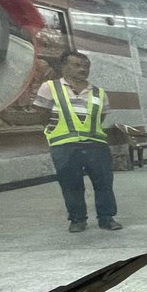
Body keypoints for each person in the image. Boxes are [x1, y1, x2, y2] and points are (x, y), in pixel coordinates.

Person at [33, 50, 122, 232]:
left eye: (86, 66)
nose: (83, 69)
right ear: (63, 67)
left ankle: (107, 218)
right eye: (77, 65)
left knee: (104, 183)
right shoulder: (50, 87)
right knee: (71, 184)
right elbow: (42, 114)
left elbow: (101, 117)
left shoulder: (98, 92)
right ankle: (77, 219)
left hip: (95, 144)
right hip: (64, 145)